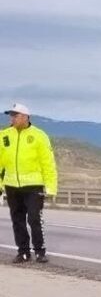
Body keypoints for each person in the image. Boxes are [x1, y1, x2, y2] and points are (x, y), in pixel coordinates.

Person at [0, 103, 57, 263]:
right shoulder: (4, 135)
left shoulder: (39, 135)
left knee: (34, 218)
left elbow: (48, 163)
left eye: (15, 115)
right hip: (12, 185)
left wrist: (51, 187)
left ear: (25, 117)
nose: (12, 118)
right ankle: (23, 252)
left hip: (33, 185)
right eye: (11, 115)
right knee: (17, 220)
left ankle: (40, 251)